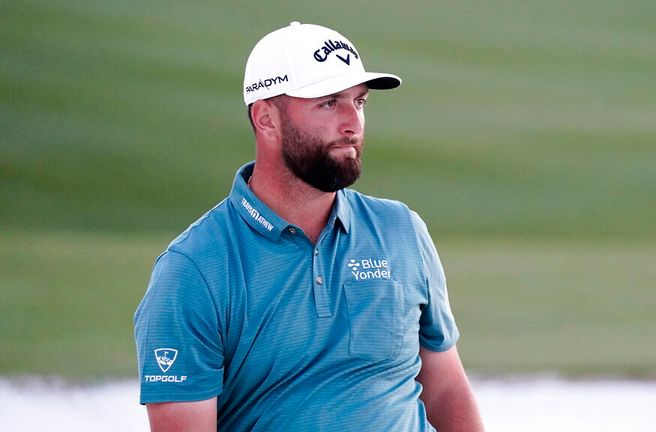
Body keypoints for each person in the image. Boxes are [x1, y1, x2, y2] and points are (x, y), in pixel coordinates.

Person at [134, 21, 484, 432]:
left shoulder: (402, 230)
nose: (353, 123)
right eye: (329, 103)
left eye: (360, 101)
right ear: (266, 119)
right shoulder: (193, 269)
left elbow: (444, 388)